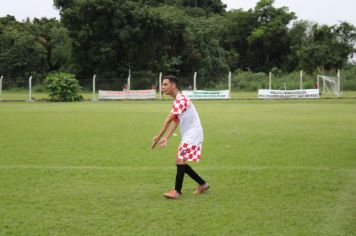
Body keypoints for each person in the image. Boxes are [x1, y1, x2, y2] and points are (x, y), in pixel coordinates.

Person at [151, 75, 209, 199]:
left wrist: (158, 136)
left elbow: (168, 120)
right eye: (162, 84)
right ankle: (203, 184)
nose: (162, 87)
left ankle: (177, 191)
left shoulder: (181, 100)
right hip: (189, 133)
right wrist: (166, 138)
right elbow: (176, 121)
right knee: (180, 161)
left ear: (173, 85)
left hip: (193, 133)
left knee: (180, 159)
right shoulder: (178, 100)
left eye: (165, 84)